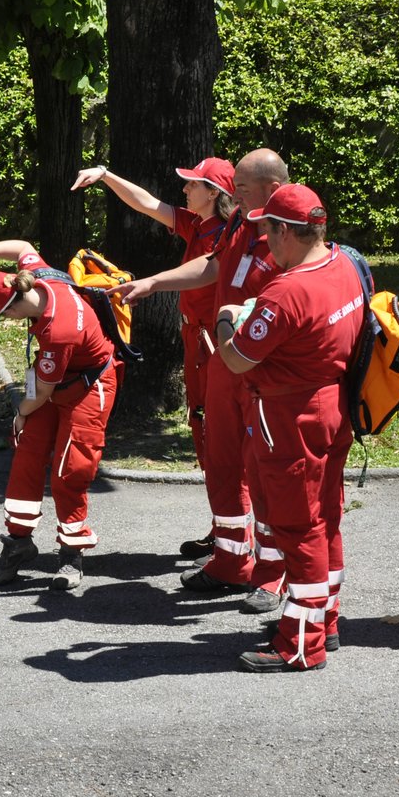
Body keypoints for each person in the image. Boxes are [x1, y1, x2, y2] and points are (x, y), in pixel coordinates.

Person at [116, 149, 289, 610]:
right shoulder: (240, 224)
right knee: (222, 455)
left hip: (260, 369)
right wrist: (153, 283)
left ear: (271, 189)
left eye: (243, 188)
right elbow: (214, 267)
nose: (235, 195)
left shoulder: (283, 231)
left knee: (263, 468)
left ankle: (274, 572)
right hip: (223, 358)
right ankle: (232, 561)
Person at [213, 185, 363, 672]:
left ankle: (302, 642)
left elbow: (236, 360)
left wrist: (225, 322)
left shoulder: (287, 291)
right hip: (331, 404)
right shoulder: (345, 264)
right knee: (326, 518)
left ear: (285, 231)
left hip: (288, 416)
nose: (263, 240)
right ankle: (325, 617)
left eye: (267, 230)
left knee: (298, 527)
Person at [71, 156, 235, 557]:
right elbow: (147, 203)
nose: (184, 190)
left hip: (216, 347)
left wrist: (151, 284)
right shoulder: (198, 223)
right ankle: (225, 531)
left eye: (192, 184)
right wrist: (107, 175)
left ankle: (235, 541)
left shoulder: (228, 233)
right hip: (197, 343)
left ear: (214, 192)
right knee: (203, 434)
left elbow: (208, 268)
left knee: (220, 439)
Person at [0, 239, 120, 591]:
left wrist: (20, 414)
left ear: (14, 303)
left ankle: (72, 552)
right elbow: (22, 245)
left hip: (89, 385)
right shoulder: (37, 277)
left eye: (3, 315)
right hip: (56, 380)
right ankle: (18, 543)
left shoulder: (59, 330)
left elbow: (40, 396)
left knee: (71, 468)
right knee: (28, 454)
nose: (6, 321)